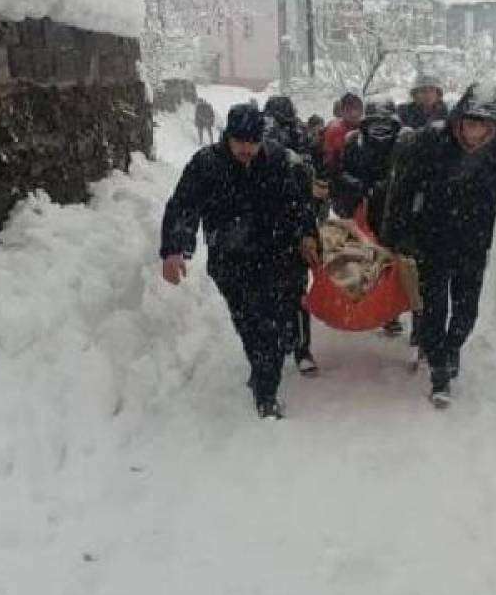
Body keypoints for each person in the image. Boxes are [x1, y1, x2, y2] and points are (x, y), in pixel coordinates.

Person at [381, 81, 496, 407]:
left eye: (482, 125)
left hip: (474, 243)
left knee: (466, 311)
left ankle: (452, 346)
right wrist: (398, 236)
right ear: (458, 120)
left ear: (494, 127)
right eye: (469, 123)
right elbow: (401, 189)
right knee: (432, 308)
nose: (473, 133)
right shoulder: (432, 142)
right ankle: (439, 371)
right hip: (431, 240)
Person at [160, 101, 320, 419]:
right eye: (240, 142)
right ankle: (261, 365)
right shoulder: (206, 165)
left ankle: (266, 393)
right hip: (230, 259)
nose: (247, 149)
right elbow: (183, 206)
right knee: (248, 323)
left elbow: (299, 203)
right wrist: (174, 249)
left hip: (276, 255)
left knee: (271, 324)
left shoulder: (278, 161)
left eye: (253, 142)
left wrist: (306, 234)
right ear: (228, 138)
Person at [334, 101, 406, 336]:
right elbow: (342, 173)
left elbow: (414, 174)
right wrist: (357, 190)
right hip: (365, 211)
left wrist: (390, 188)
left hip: (399, 212)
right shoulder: (353, 142)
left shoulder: (406, 141)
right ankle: (379, 309)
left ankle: (396, 311)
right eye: (376, 121)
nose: (381, 128)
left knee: (401, 266)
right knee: (371, 263)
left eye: (386, 122)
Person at [262, 95, 318, 375]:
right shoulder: (262, 134)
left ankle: (298, 346)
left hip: (292, 221)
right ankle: (292, 345)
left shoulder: (299, 137)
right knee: (283, 292)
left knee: (294, 290)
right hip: (268, 227)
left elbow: (309, 177)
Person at [321, 91, 364, 178]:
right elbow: (331, 163)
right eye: (348, 109)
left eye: (357, 108)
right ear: (342, 111)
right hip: (342, 177)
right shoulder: (335, 129)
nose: (354, 113)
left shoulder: (365, 125)